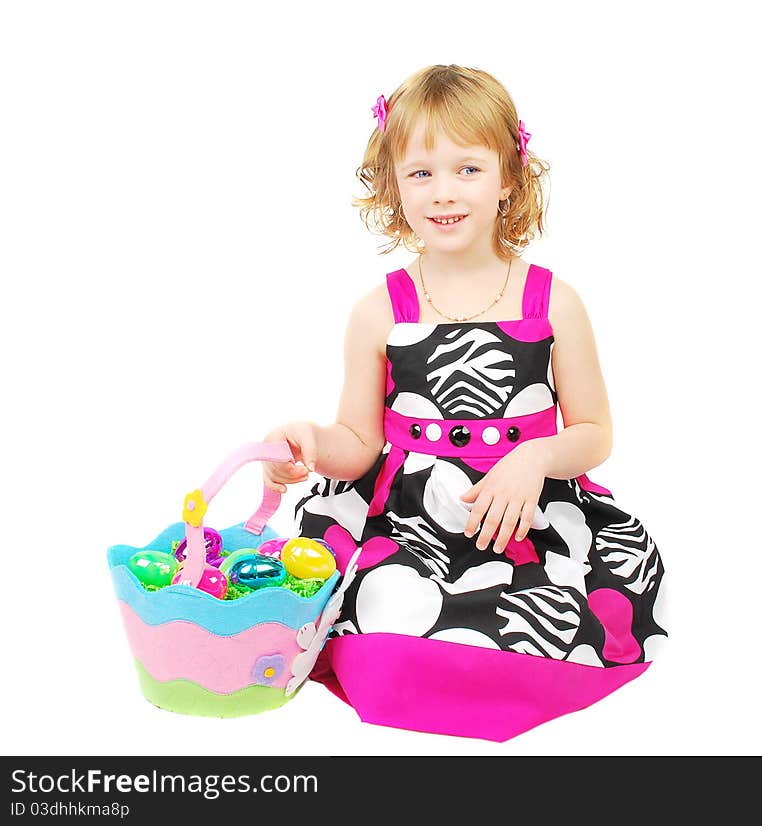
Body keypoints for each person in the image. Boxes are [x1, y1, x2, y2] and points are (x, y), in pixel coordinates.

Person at [262, 64, 668, 741]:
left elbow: (595, 431)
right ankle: (414, 671)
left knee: (561, 611)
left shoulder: (552, 302)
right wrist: (308, 437)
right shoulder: (378, 312)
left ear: (509, 176)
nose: (443, 192)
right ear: (394, 181)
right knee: (383, 605)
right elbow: (358, 441)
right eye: (421, 172)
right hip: (412, 521)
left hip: (523, 517)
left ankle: (502, 673)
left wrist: (537, 455)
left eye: (467, 169)